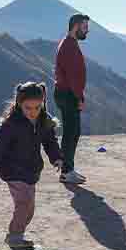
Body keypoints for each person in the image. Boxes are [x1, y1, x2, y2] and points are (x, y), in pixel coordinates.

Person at [0, 82, 63, 250]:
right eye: (28, 108)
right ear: (19, 104)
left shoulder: (43, 120)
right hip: (13, 171)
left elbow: (50, 141)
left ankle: (16, 234)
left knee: (29, 210)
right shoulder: (12, 125)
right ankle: (15, 237)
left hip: (31, 172)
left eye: (37, 107)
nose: (33, 112)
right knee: (23, 204)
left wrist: (56, 158)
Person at [53, 13, 90, 185]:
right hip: (68, 94)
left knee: (73, 132)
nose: (87, 31)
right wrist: (79, 97)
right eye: (84, 27)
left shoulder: (69, 43)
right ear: (76, 26)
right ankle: (66, 172)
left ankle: (69, 169)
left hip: (66, 93)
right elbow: (73, 77)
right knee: (71, 133)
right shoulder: (69, 46)